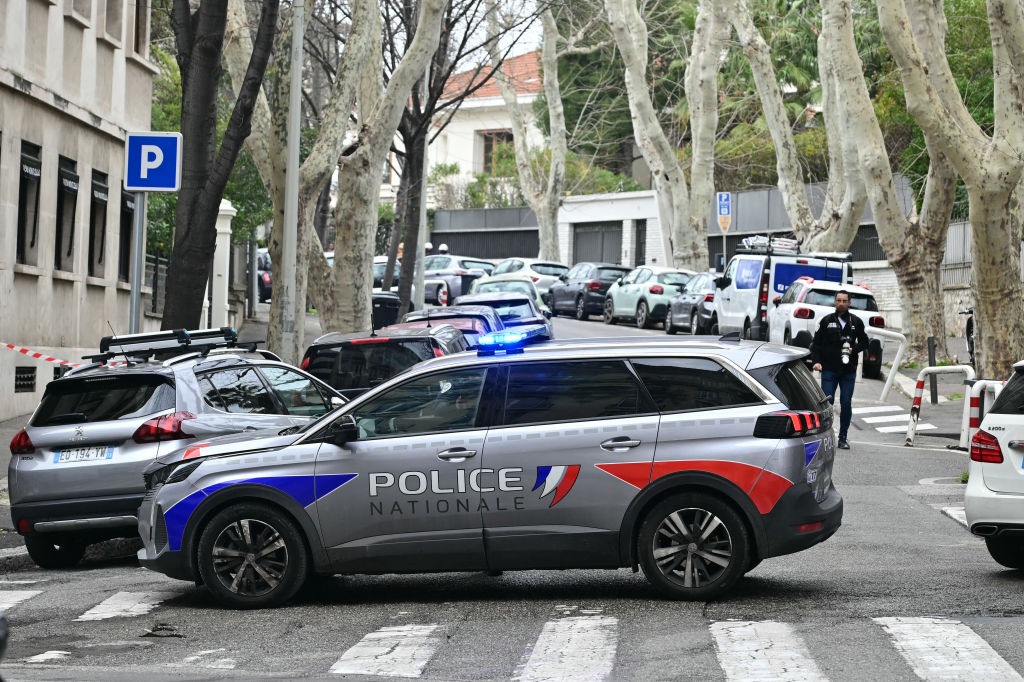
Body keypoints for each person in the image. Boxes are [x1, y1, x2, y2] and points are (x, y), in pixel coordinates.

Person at [810, 290, 870, 450]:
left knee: (845, 402)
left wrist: (854, 349)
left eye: (844, 301)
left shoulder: (856, 321)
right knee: (827, 403)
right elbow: (816, 344)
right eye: (839, 300)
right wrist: (816, 362)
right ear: (835, 302)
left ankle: (843, 437)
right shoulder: (826, 321)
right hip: (829, 369)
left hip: (848, 371)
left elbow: (865, 342)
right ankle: (825, 436)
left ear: (849, 303)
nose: (841, 303)